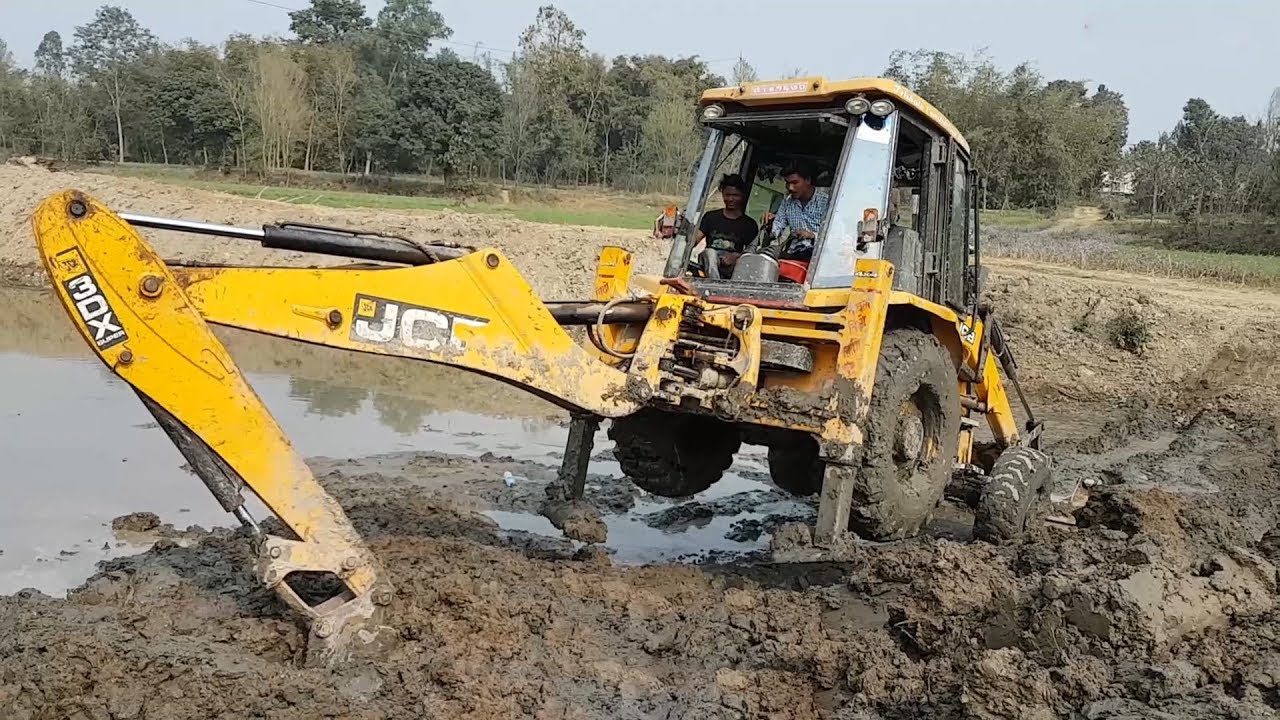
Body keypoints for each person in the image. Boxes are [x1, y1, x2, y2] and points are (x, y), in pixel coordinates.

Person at [763, 162, 830, 261]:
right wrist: (769, 223)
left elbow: (835, 235)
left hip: (820, 257)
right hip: (794, 255)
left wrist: (812, 235)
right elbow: (776, 231)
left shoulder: (826, 202)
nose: (790, 187)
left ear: (807, 180)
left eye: (795, 183)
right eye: (787, 183)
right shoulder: (787, 201)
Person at [695, 174, 759, 275]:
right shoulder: (710, 217)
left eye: (735, 195)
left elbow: (752, 253)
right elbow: (694, 239)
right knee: (710, 253)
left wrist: (737, 256)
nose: (730, 199)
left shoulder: (749, 225)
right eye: (727, 195)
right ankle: (714, 283)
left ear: (743, 195)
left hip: (732, 268)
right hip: (707, 264)